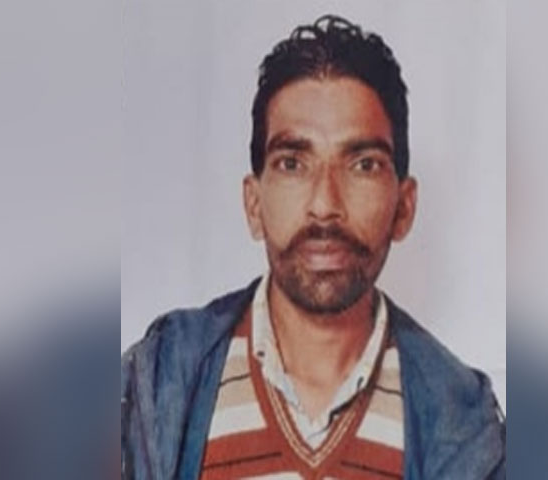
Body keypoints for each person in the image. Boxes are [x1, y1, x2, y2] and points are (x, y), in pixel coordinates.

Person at [121, 14, 505, 480]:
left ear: (404, 207)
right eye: (292, 163)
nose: (325, 205)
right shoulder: (159, 381)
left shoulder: (463, 420)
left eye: (363, 165)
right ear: (254, 204)